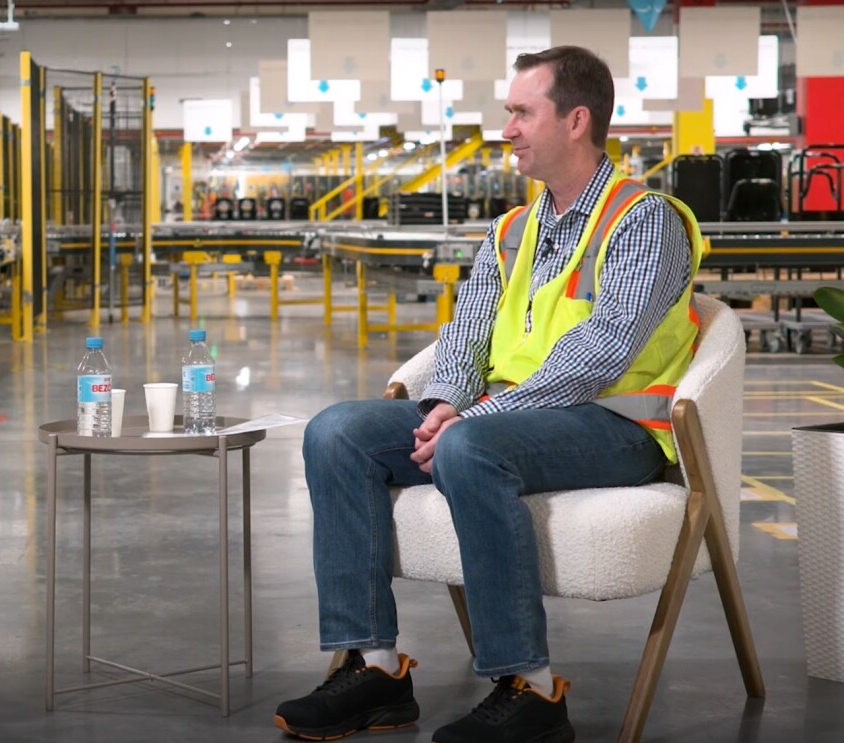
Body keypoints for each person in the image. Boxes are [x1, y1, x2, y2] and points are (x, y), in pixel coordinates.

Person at [274, 46, 705, 743]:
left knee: (472, 445)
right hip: (507, 419)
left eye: (520, 112)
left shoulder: (644, 220)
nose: (506, 128)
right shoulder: (511, 230)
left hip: (615, 425)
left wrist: (477, 416)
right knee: (336, 431)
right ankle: (375, 669)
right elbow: (468, 330)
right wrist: (446, 399)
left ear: (575, 121)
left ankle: (530, 687)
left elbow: (606, 349)